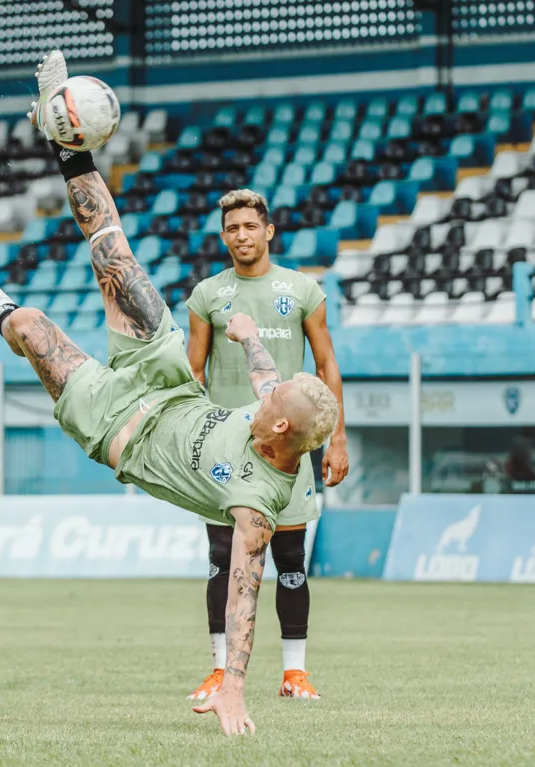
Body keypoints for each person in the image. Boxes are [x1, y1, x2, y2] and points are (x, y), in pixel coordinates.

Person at [0, 50, 339, 737]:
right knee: (115, 253)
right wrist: (251, 335)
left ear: (279, 432)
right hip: (167, 378)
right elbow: (262, 373)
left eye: (272, 405)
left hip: (118, 427)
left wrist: (231, 686)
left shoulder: (258, 501)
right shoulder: (278, 402)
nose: (266, 397)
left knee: (33, 327)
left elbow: (244, 595)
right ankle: (63, 138)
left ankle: (0, 309)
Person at [186, 190, 349, 701]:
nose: (241, 236)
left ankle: (294, 674)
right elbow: (193, 373)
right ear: (223, 235)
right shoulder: (207, 295)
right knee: (220, 559)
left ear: (268, 231)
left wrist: (337, 437)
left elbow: (326, 367)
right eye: (232, 228)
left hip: (290, 451)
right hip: (226, 451)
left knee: (291, 561)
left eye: (250, 227)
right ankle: (219, 670)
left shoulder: (302, 289)